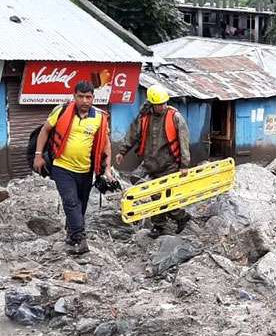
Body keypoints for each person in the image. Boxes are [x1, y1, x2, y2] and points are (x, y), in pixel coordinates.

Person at [33, 82, 113, 255]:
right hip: (61, 166)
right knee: (70, 202)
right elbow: (45, 131)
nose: (85, 100)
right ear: (74, 96)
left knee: (80, 206)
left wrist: (107, 169)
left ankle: (71, 236)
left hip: (85, 170)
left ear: (93, 97)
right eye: (81, 96)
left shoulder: (99, 117)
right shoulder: (61, 111)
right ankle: (80, 239)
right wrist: (38, 155)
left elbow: (105, 145)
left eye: (88, 97)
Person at [116, 85, 192, 238]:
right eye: (159, 104)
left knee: (165, 196)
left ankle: (174, 219)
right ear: (151, 103)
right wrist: (122, 151)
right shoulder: (144, 117)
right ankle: (165, 223)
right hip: (151, 163)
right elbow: (133, 134)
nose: (162, 106)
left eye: (164, 103)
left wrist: (184, 165)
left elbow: (184, 141)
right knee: (155, 195)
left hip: (170, 164)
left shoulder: (175, 117)